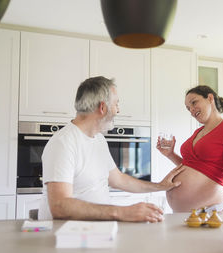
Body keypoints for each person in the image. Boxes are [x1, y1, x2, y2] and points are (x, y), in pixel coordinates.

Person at [38, 76, 183, 222]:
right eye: (116, 104)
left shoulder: (98, 139)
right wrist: (122, 212)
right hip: (66, 236)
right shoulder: (63, 143)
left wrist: (160, 186)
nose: (118, 110)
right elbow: (59, 206)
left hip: (95, 231)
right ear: (103, 108)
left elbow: (118, 179)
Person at [157, 85, 223, 213]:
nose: (192, 110)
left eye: (194, 103)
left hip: (209, 210)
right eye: (188, 108)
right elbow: (191, 166)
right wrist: (170, 154)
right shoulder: (197, 132)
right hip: (182, 212)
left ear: (210, 98)